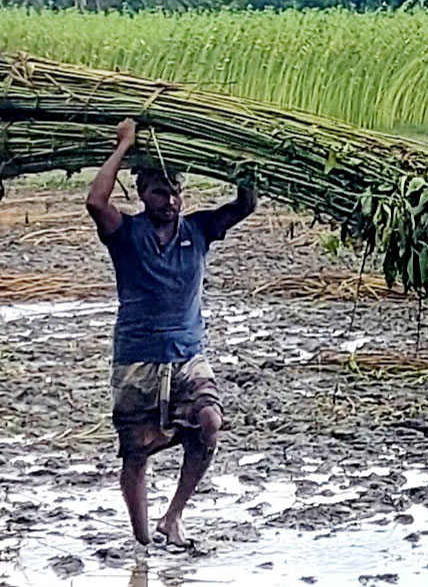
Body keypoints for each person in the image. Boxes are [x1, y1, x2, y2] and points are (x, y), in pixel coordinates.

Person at [85, 117, 257, 548]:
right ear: (142, 193)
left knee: (209, 421)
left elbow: (245, 205)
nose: (171, 200)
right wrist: (124, 145)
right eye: (160, 191)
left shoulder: (198, 230)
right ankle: (141, 543)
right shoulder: (126, 233)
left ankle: (173, 516)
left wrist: (244, 161)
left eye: (176, 191)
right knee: (136, 451)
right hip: (137, 356)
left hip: (187, 353)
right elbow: (95, 201)